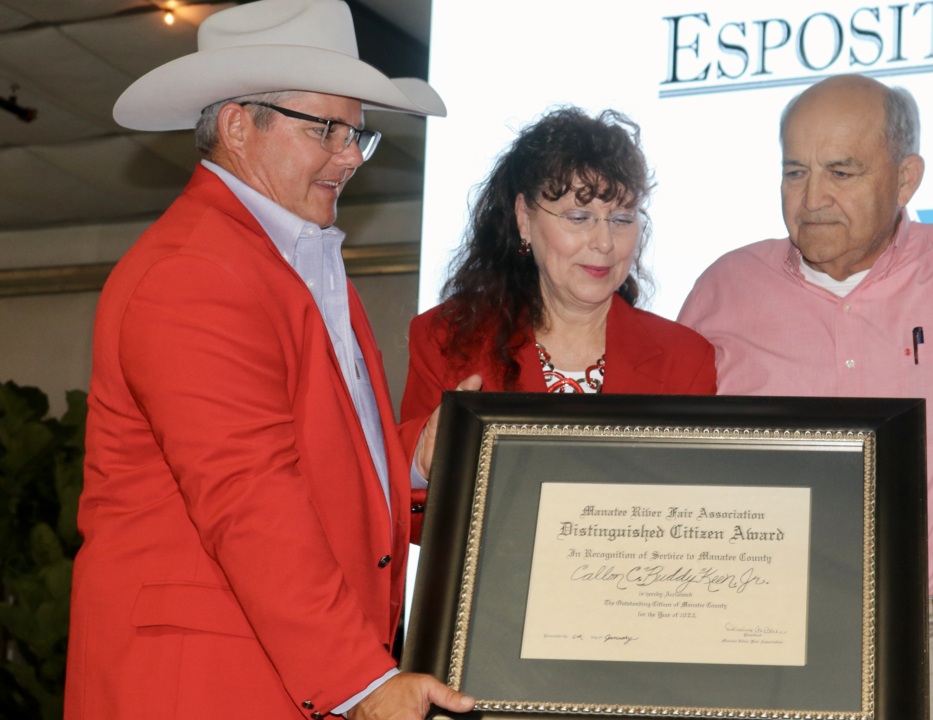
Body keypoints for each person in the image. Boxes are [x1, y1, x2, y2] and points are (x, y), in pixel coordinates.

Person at [67, 1, 475, 718]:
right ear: (236, 127)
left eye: (358, 134)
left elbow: (312, 461)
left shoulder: (293, 260)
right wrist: (362, 683)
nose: (350, 155)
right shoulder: (195, 270)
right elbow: (246, 494)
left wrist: (414, 459)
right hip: (207, 687)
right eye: (328, 130)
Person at [678, 74, 933, 719]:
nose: (813, 198)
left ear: (907, 178)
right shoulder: (725, 291)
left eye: (842, 172)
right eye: (795, 172)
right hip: (764, 658)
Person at [401, 106, 716, 422]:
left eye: (622, 219)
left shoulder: (685, 358)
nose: (605, 243)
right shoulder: (447, 340)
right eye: (579, 217)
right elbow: (408, 466)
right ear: (524, 219)